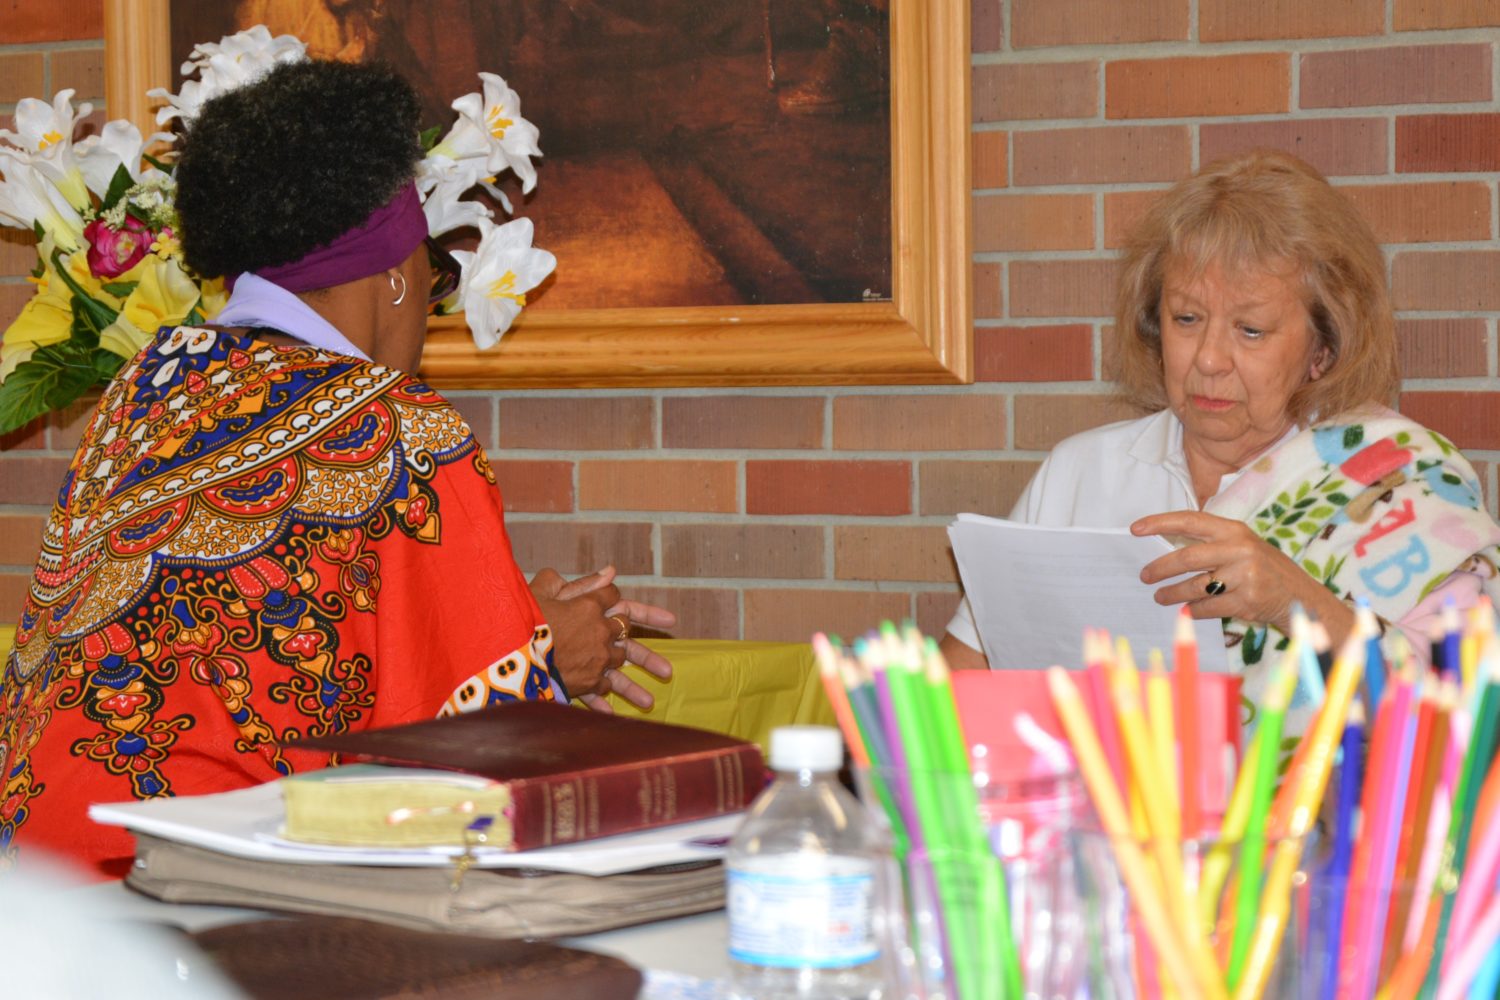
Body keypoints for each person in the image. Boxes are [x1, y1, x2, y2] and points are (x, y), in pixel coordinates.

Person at [0, 59, 673, 877]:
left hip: (33, 876)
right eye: (432, 273)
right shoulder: (398, 428)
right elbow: (450, 761)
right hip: (190, 885)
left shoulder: (145, 389)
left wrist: (517, 634)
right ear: (396, 277)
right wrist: (547, 661)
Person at [942, 150, 1500, 705]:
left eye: (1250, 330)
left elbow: (1467, 705)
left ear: (1323, 349)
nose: (1208, 358)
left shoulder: (1396, 476)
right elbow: (957, 688)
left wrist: (1295, 603)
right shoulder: (1081, 471)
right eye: (1186, 319)